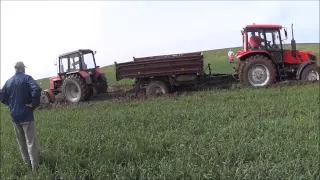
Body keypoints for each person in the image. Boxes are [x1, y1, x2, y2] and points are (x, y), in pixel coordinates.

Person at [1, 61, 42, 171]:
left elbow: (1, 95)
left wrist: (10, 104)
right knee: (31, 142)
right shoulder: (27, 78)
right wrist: (33, 104)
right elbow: (36, 89)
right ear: (22, 68)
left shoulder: (8, 82)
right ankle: (35, 168)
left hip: (15, 116)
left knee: (21, 142)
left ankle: (26, 164)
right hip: (26, 114)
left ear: (15, 69)